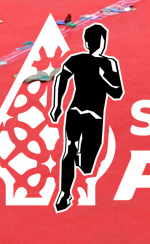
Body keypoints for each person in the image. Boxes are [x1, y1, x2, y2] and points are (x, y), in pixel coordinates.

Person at [46, 23, 123, 214]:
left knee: (84, 162)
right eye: (97, 41)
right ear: (90, 43)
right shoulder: (86, 61)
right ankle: (64, 193)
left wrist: (101, 80)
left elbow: (117, 92)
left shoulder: (103, 62)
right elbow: (62, 79)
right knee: (70, 150)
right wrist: (57, 105)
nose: (98, 44)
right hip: (83, 113)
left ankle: (78, 166)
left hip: (85, 114)